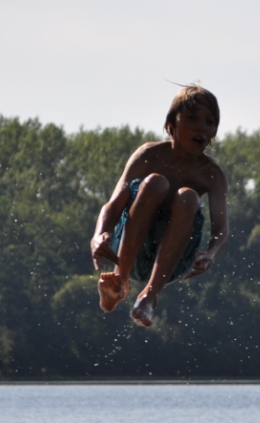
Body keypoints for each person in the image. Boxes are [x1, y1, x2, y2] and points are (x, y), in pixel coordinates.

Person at [90, 85, 229, 327]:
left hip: (175, 261)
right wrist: (99, 235)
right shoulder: (148, 155)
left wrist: (210, 254)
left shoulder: (212, 175)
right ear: (170, 125)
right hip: (130, 251)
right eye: (192, 118)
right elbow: (113, 204)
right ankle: (118, 282)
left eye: (209, 122)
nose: (201, 127)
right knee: (154, 183)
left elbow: (221, 230)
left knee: (188, 197)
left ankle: (150, 296)